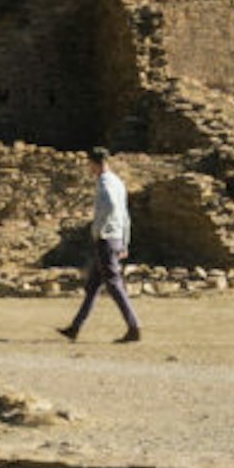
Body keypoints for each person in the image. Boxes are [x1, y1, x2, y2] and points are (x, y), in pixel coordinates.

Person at [64, 147, 143, 345]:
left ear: (94, 163)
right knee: (93, 285)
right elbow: (124, 215)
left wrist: (97, 229)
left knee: (114, 284)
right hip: (116, 237)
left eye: (89, 164)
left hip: (106, 238)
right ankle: (75, 327)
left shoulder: (104, 182)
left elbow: (110, 207)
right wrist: (125, 241)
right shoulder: (117, 182)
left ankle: (134, 327)